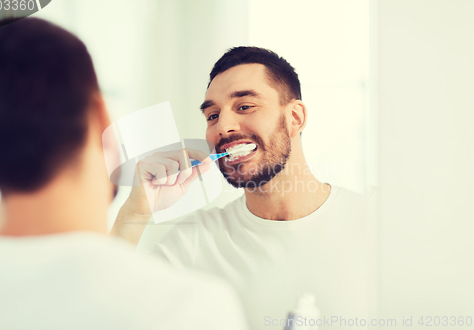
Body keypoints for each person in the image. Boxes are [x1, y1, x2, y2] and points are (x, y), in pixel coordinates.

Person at [0, 18, 247, 330]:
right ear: (102, 115)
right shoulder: (188, 308)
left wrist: (135, 212)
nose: (224, 126)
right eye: (212, 115)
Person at [112, 46, 376, 330]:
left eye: (245, 107)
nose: (222, 126)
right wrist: (134, 214)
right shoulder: (195, 243)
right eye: (212, 115)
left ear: (295, 118)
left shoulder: (376, 224)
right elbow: (101, 313)